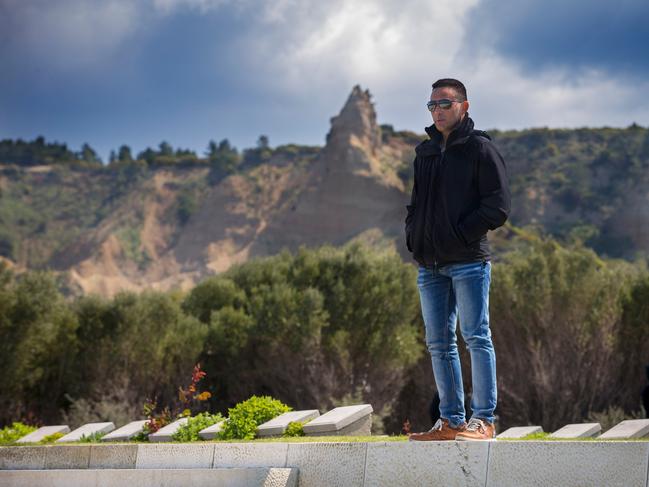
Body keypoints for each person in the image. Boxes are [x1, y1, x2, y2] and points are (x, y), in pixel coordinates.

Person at [405, 78, 510, 441]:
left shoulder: (481, 149)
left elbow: (497, 207)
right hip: (430, 266)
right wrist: (414, 238)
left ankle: (484, 420)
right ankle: (451, 421)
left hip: (468, 260)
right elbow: (416, 204)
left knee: (476, 337)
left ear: (464, 107)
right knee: (438, 343)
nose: (437, 111)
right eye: (432, 105)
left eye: (445, 104)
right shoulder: (425, 153)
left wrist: (459, 234)